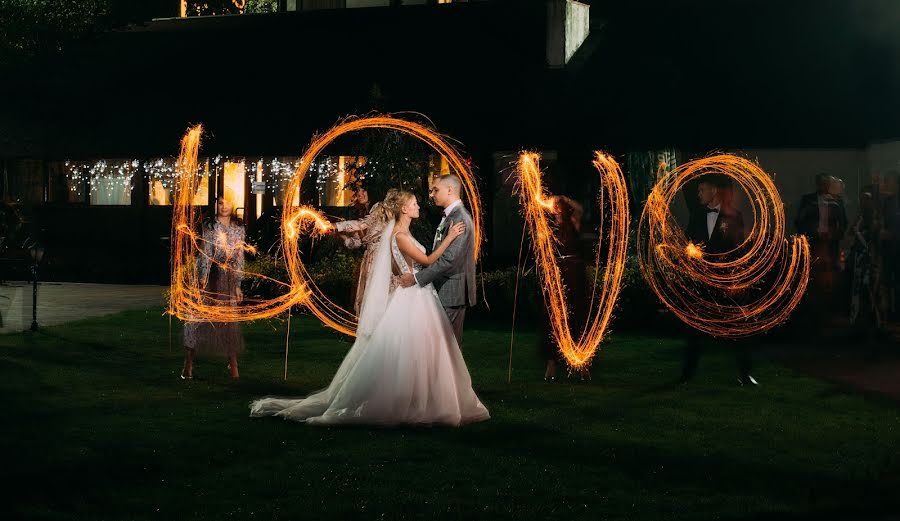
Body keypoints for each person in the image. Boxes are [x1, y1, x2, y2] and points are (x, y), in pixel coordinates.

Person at [250, 190, 489, 426]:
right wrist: (450, 237)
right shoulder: (399, 235)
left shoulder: (401, 232)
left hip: (418, 293)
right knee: (414, 349)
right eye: (414, 203)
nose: (419, 206)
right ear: (404, 209)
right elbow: (426, 261)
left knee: (420, 348)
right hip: (414, 295)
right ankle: (413, 400)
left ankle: (421, 397)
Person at [680, 175, 755, 385]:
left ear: (714, 191)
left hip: (726, 283)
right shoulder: (696, 215)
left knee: (738, 330)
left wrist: (735, 279)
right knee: (695, 331)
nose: (699, 194)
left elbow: (739, 250)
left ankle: (745, 374)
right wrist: (691, 252)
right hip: (703, 283)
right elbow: (689, 242)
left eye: (702, 190)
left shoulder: (734, 216)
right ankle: (687, 376)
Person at [398, 174, 476, 346]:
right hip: (443, 288)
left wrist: (416, 279)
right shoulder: (450, 217)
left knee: (448, 348)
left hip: (451, 291)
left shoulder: (460, 218)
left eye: (435, 190)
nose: (432, 194)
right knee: (442, 348)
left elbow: (449, 260)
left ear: (450, 190)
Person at [182, 196, 248, 380]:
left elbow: (239, 257)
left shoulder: (238, 228)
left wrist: (237, 285)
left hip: (227, 279)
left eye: (227, 202)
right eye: (220, 202)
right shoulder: (210, 227)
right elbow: (205, 254)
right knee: (198, 320)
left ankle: (233, 364)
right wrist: (202, 280)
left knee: (229, 322)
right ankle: (188, 363)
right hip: (209, 276)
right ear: (215, 205)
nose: (224, 206)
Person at [539, 194, 588, 382]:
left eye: (558, 206)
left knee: (576, 314)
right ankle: (552, 362)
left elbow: (579, 208)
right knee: (553, 318)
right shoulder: (548, 227)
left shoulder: (573, 222)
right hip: (556, 275)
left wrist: (563, 198)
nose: (555, 208)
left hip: (574, 274)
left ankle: (582, 362)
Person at [332, 189, 396, 315]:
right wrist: (341, 234)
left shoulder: (380, 208)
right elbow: (356, 243)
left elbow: (362, 225)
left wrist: (336, 225)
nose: (360, 194)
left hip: (381, 254)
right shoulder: (363, 213)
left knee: (378, 290)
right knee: (367, 291)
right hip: (369, 256)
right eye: (357, 192)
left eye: (364, 190)